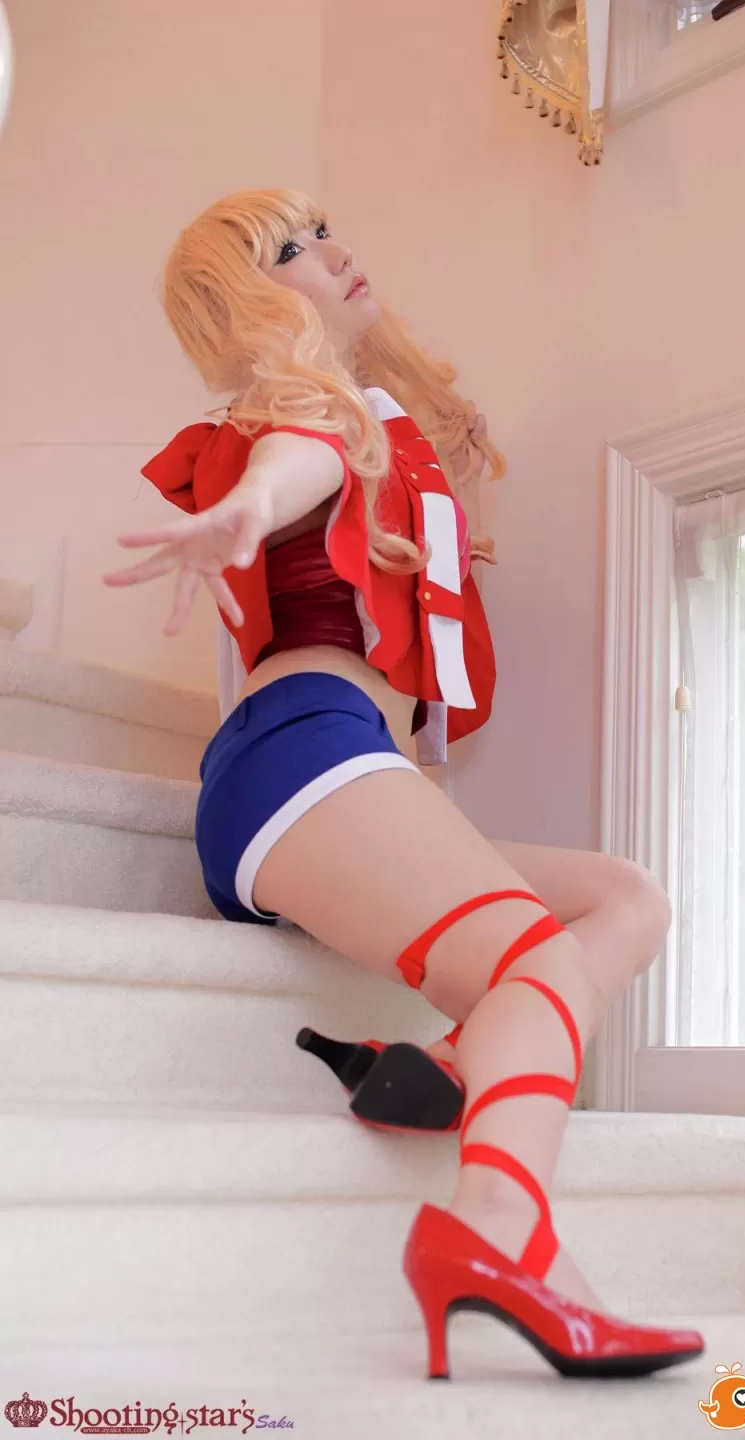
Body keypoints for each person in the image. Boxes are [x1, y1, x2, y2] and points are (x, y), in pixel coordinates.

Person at [104, 188, 704, 1380]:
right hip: (297, 757)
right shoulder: (294, 417)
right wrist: (245, 510)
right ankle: (500, 1236)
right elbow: (298, 458)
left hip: (346, 772)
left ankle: (443, 1069)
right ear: (251, 300)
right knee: (538, 962)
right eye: (291, 248)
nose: (333, 251)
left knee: (626, 900)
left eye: (324, 227)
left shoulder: (378, 427)